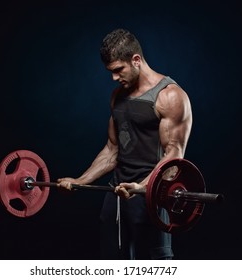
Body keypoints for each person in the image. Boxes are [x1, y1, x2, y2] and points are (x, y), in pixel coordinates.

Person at [57, 28, 192, 260]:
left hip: (152, 194)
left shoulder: (170, 97)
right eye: (110, 72)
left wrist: (141, 187)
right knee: (113, 262)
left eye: (118, 70)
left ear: (136, 60)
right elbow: (112, 150)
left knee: (156, 267)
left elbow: (173, 159)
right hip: (117, 191)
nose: (113, 78)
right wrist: (80, 181)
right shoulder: (117, 97)